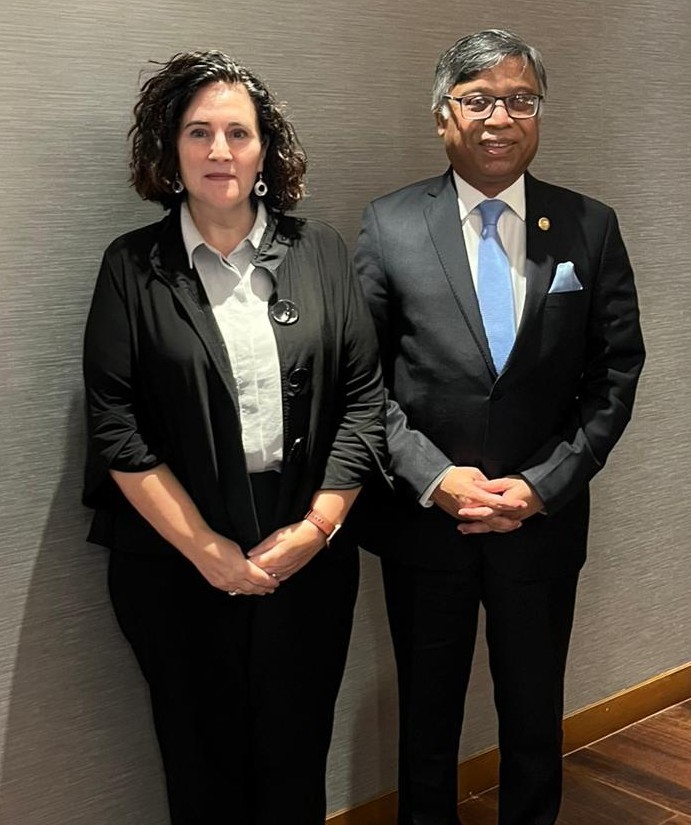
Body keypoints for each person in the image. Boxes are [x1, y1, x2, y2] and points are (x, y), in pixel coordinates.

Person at [82, 50, 385, 825]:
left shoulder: (318, 250)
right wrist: (206, 551)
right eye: (198, 132)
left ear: (265, 151)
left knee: (294, 757)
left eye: (238, 133)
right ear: (170, 151)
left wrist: (317, 528)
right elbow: (115, 423)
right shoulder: (131, 267)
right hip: (175, 571)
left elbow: (362, 399)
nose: (220, 151)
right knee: (200, 763)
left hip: (306, 562)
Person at [354, 29, 645, 825]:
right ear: (441, 116)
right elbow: (362, 381)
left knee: (531, 717)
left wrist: (540, 486)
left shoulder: (587, 225)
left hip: (539, 524)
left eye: (519, 100)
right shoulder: (388, 225)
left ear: (538, 115)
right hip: (424, 525)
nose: (499, 118)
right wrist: (431, 476)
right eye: (477, 99)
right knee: (425, 721)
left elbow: (615, 373)